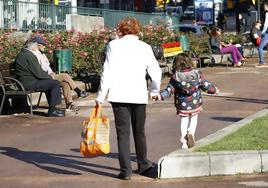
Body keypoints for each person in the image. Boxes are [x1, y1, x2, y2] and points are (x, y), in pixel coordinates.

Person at [95, 18, 162, 180]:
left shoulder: (113, 46)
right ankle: (143, 164)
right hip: (138, 94)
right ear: (137, 31)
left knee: (122, 133)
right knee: (140, 132)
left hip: (119, 94)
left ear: (121, 31)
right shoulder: (145, 47)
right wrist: (154, 90)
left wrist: (100, 96)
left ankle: (126, 171)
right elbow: (156, 71)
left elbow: (107, 72)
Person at [160, 53, 218, 149]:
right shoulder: (197, 74)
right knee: (194, 118)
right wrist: (214, 90)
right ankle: (191, 132)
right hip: (195, 103)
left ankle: (184, 141)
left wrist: (160, 96)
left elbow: (169, 90)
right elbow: (205, 85)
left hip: (182, 104)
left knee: (184, 120)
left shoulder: (175, 77)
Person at [32, 35, 89, 112]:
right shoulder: (35, 54)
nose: (44, 47)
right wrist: (50, 74)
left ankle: (69, 104)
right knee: (65, 76)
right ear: (38, 45)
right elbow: (39, 69)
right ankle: (78, 91)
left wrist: (52, 72)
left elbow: (47, 67)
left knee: (65, 83)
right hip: (45, 77)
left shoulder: (43, 54)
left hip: (51, 75)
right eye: (43, 45)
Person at [14, 39, 65, 117]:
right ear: (33, 48)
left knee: (50, 83)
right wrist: (50, 77)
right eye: (36, 48)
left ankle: (53, 109)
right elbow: (38, 73)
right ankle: (52, 110)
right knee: (54, 83)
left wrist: (48, 78)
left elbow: (37, 72)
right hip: (29, 84)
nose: (37, 50)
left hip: (25, 82)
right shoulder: (29, 56)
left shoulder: (24, 54)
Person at [257, 0, 268, 67]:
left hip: (267, 32)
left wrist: (263, 32)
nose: (263, 7)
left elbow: (266, 24)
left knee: (260, 48)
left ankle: (261, 62)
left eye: (264, 6)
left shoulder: (267, 13)